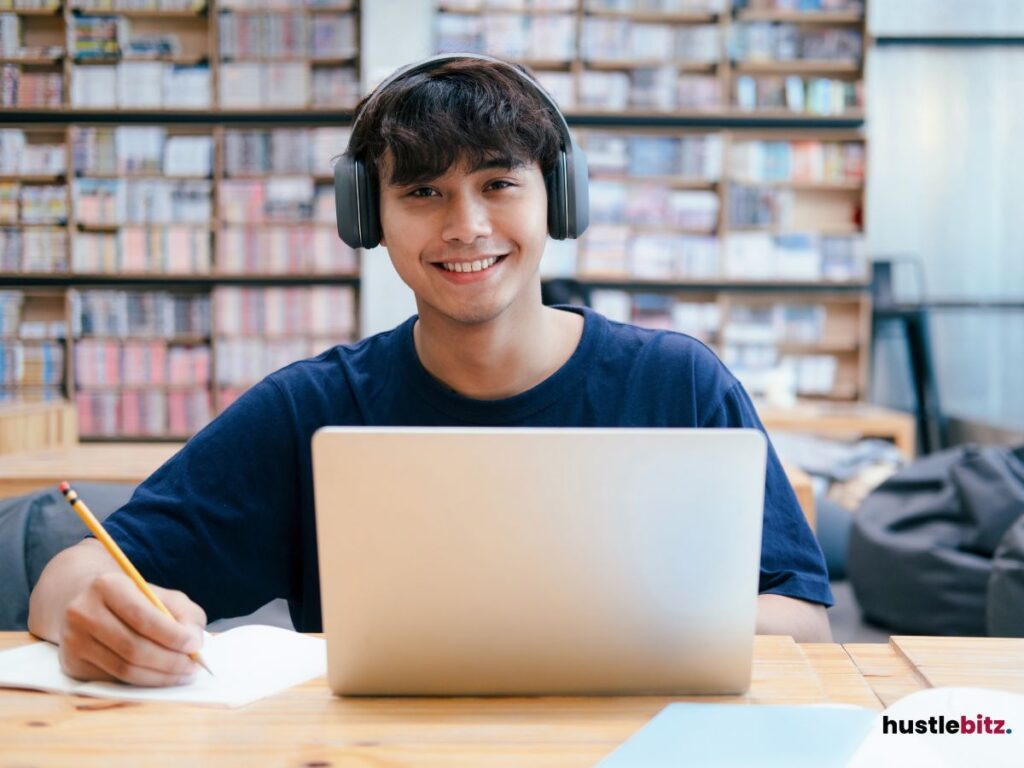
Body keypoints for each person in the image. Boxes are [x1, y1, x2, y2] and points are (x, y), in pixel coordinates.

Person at [29, 54, 833, 688]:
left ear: (557, 199)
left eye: (497, 183)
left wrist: (596, 633)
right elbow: (72, 576)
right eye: (423, 191)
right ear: (366, 217)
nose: (467, 226)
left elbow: (806, 626)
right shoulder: (314, 409)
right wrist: (93, 614)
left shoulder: (676, 385)